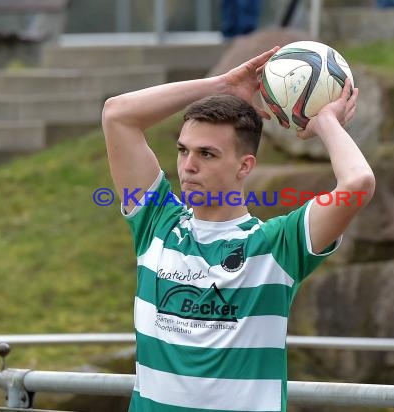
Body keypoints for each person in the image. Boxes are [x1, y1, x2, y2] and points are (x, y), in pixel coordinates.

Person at [101, 46, 375, 412]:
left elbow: (357, 184)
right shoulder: (157, 223)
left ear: (245, 167)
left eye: (207, 154)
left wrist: (325, 122)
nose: (188, 167)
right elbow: (117, 114)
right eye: (183, 151)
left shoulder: (277, 245)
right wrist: (221, 85)